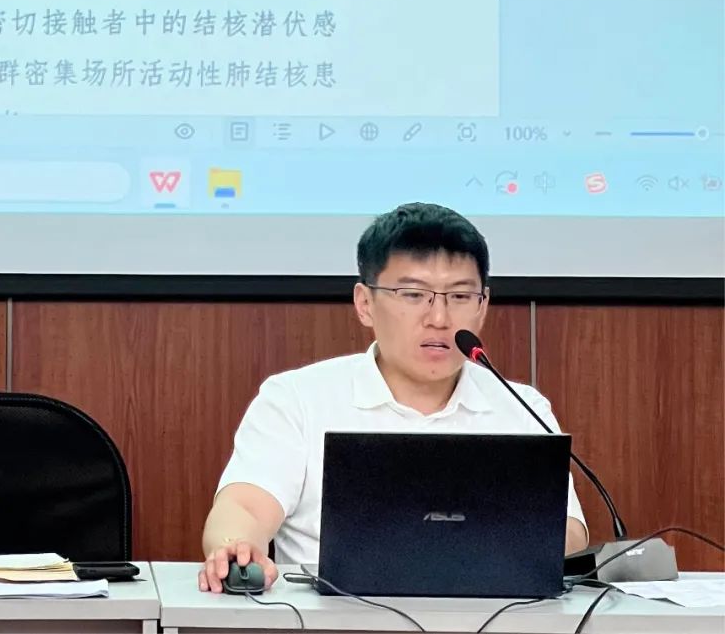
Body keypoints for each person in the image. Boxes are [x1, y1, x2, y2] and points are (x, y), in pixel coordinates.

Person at [198, 202, 588, 592]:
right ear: (365, 303)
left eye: (459, 296)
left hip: (497, 614)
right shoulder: (298, 398)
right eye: (413, 294)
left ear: (482, 306)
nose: (439, 318)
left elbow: (568, 532)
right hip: (332, 616)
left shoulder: (520, 406)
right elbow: (244, 505)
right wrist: (237, 547)